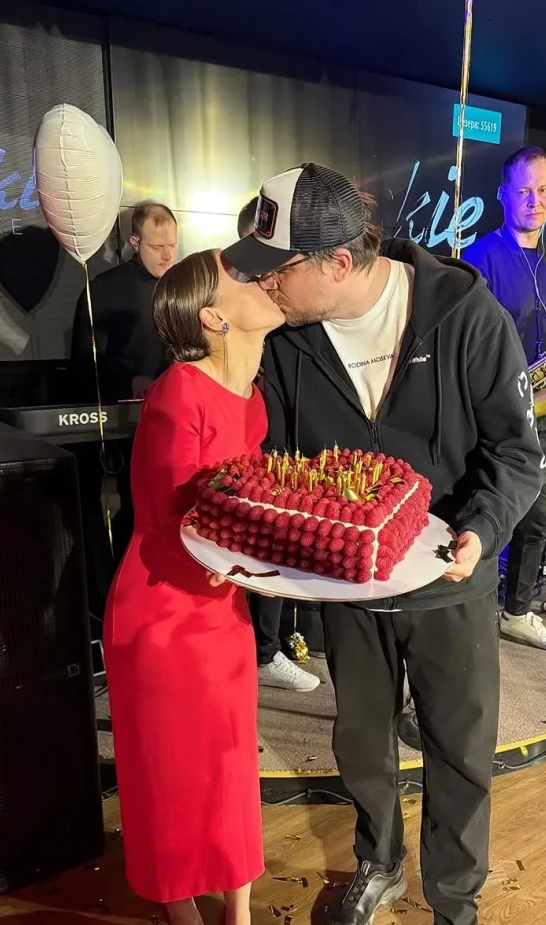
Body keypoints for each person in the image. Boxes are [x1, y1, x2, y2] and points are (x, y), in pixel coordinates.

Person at [223, 163, 545, 925]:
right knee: (361, 741)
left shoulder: (464, 316)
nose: (265, 283)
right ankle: (379, 861)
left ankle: (454, 923)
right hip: (348, 587)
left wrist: (481, 529)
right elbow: (272, 463)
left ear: (336, 261)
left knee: (459, 758)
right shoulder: (289, 338)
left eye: (277, 269)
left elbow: (519, 454)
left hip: (449, 586)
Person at [103, 248, 286, 925]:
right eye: (236, 277)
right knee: (170, 777)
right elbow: (177, 523)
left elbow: (247, 507)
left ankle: (238, 923)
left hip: (221, 609)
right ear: (213, 317)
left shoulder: (254, 398)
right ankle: (181, 911)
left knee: (231, 770)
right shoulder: (179, 390)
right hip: (162, 612)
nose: (258, 278)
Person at [466, 146, 546, 652]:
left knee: (540, 518)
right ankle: (474, 613)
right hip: (497, 415)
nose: (536, 200)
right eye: (525, 191)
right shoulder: (479, 258)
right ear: (503, 195)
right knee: (488, 513)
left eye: (545, 190)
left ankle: (519, 611)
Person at [237, 197, 319, 693]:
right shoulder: (238, 298)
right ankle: (264, 652)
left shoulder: (300, 308)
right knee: (261, 547)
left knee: (288, 546)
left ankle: (277, 643)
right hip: (252, 441)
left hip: (291, 442)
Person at [70, 202, 178, 561]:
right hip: (123, 422)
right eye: (157, 247)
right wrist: (130, 378)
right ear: (134, 242)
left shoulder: (182, 288)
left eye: (172, 245)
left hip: (174, 416)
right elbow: (85, 359)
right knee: (131, 508)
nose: (167, 256)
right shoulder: (104, 289)